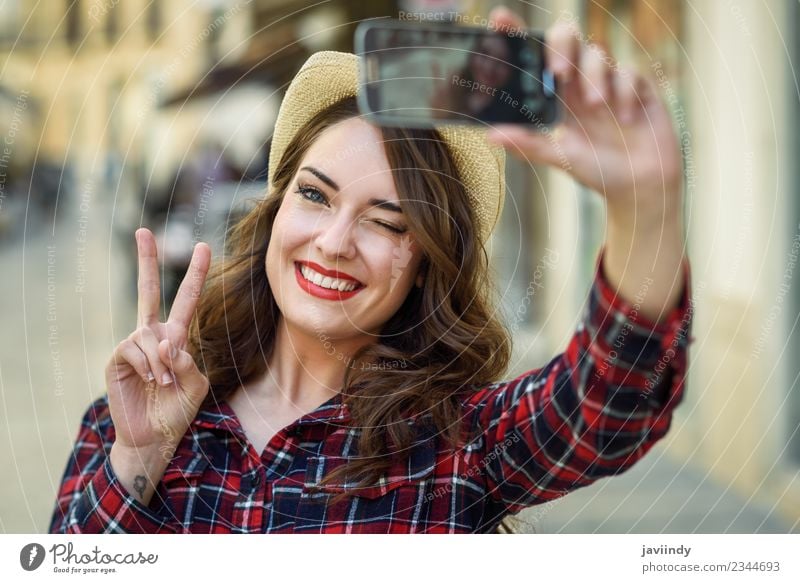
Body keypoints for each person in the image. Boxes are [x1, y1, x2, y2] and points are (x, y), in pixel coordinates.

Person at [49, 7, 692, 534]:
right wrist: (138, 460)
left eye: (386, 222)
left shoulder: (461, 449)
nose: (333, 242)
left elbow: (610, 401)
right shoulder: (125, 420)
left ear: (426, 265)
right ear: (274, 211)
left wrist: (647, 206)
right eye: (314, 195)